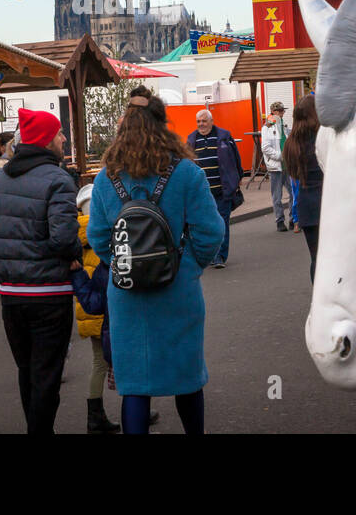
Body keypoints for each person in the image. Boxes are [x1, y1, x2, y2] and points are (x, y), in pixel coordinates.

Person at [88, 86, 226, 434]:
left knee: (134, 385)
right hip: (177, 291)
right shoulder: (186, 173)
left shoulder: (107, 178)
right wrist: (186, 267)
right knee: (187, 377)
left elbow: (99, 237)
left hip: (126, 295)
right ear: (162, 125)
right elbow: (210, 232)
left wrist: (125, 264)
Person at [0, 107, 80, 434]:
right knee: (47, 374)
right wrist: (75, 254)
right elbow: (63, 238)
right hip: (49, 293)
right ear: (45, 139)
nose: (64, 138)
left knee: (27, 370)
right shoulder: (58, 179)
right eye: (59, 133)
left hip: (11, 294)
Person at [71, 184, 119, 434]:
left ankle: (95, 414)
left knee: (99, 363)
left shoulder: (76, 235)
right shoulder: (104, 233)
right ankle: (131, 406)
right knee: (116, 361)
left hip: (88, 311)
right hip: (108, 311)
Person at [186, 109, 243, 268]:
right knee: (204, 225)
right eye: (198, 121)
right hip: (201, 193)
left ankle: (219, 257)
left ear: (211, 121)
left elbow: (236, 159)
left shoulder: (224, 137)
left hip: (222, 191)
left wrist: (237, 179)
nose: (201, 124)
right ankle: (209, 254)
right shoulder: (191, 140)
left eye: (204, 121)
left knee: (222, 223)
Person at [281, 95, 323, 282]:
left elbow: (294, 175)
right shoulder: (321, 139)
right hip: (327, 202)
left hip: (306, 204)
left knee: (316, 258)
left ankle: (318, 298)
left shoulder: (291, 143)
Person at [261, 101, 290, 230]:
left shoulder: (284, 126)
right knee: (277, 196)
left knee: (294, 194)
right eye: (280, 111)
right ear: (273, 112)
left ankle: (293, 218)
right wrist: (280, 156)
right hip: (276, 166)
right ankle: (279, 220)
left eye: (283, 111)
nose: (282, 113)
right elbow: (265, 148)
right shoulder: (267, 127)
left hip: (288, 165)